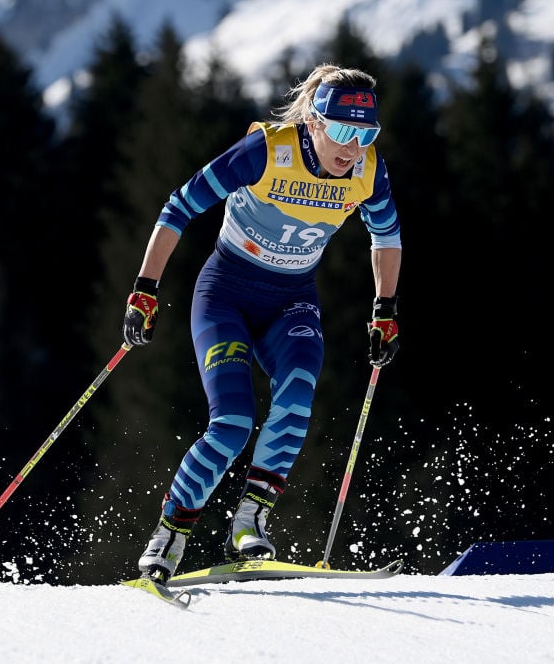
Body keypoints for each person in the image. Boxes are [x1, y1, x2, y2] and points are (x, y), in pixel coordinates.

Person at [122, 63, 402, 583]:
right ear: (314, 122)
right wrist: (145, 289)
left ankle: (250, 520)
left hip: (292, 301)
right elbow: (179, 207)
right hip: (225, 295)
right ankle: (170, 533)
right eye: (342, 131)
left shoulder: (368, 172)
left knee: (296, 395)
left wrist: (384, 310)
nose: (352, 148)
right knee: (231, 423)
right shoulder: (267, 152)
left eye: (366, 135)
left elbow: (386, 237)